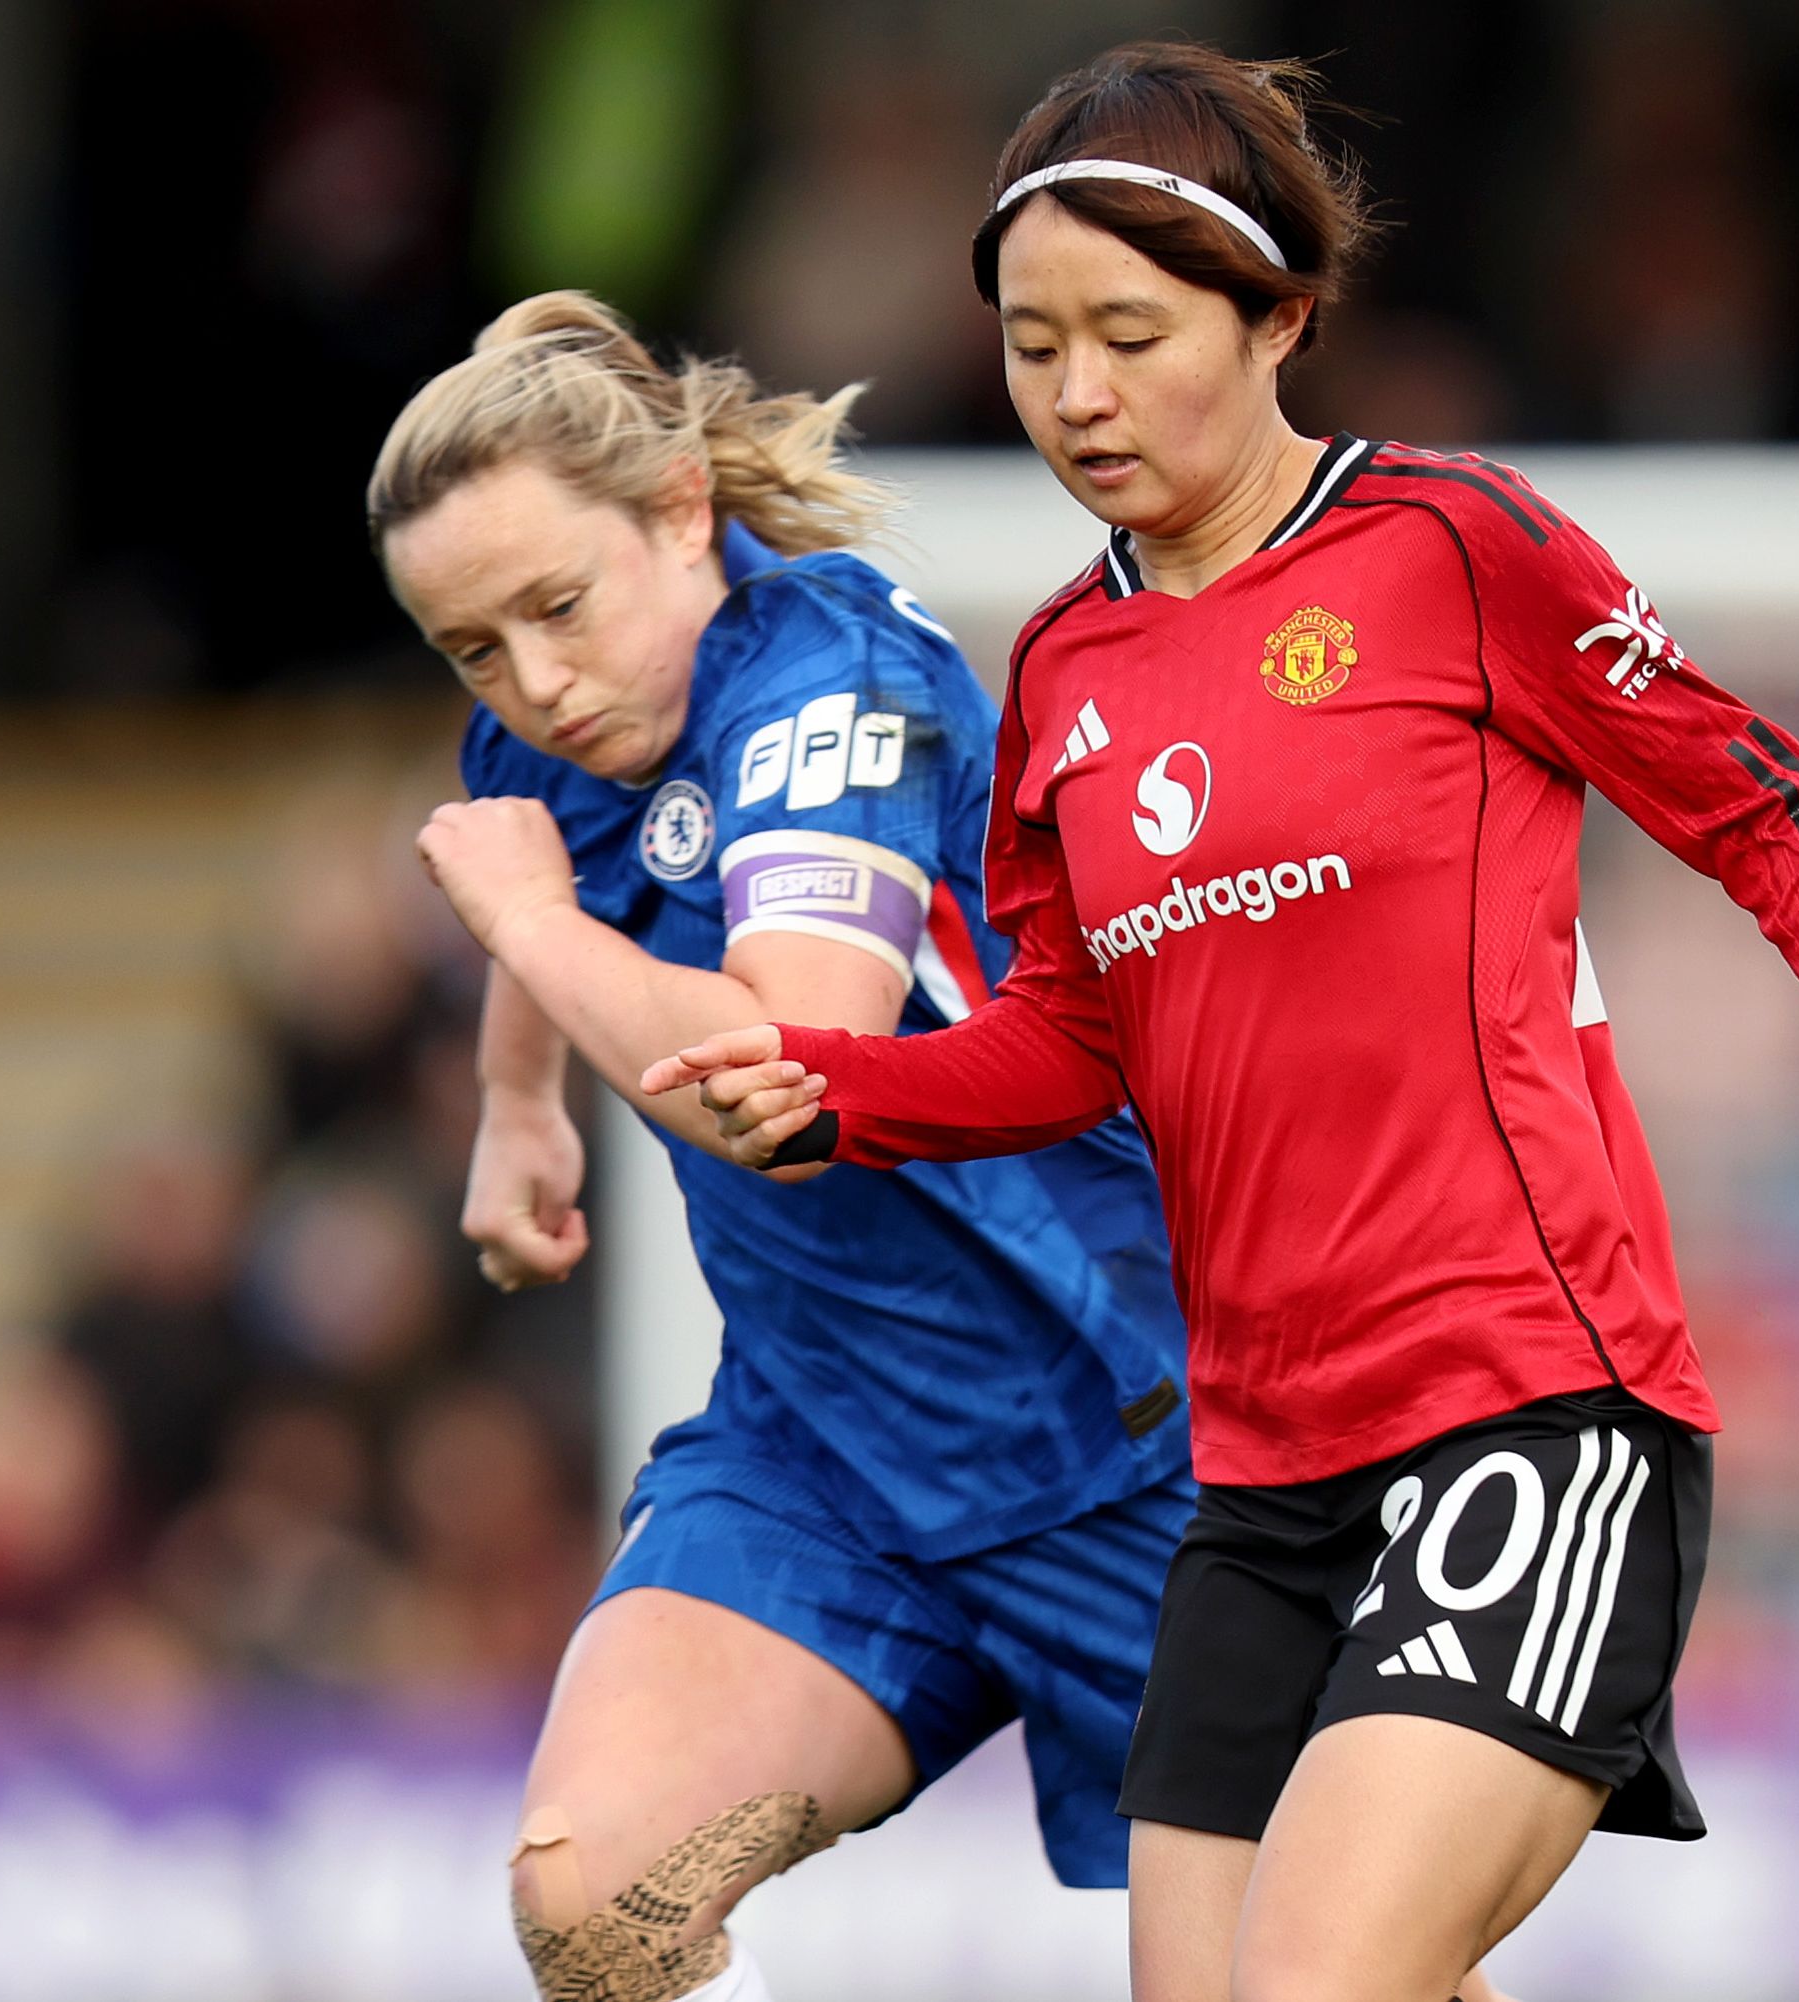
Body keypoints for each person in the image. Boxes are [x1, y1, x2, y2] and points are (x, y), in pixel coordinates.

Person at [648, 45, 1799, 2002]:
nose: (1076, 392)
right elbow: (1071, 1045)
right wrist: (834, 1092)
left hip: (1534, 1423)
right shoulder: (1064, 663)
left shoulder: (1452, 551)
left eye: (1131, 333)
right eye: (1035, 341)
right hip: (1264, 1492)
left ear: (1282, 314)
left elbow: (1776, 807)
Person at [368, 292, 1197, 2002]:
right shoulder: (566, 709)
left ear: (683, 511)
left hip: (1133, 1440)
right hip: (826, 1458)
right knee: (601, 1906)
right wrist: (521, 1105)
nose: (529, 682)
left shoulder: (836, 679)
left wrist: (527, 933)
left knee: (1313, 1984)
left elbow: (788, 1086)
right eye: (472, 651)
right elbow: (545, 843)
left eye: (554, 609)